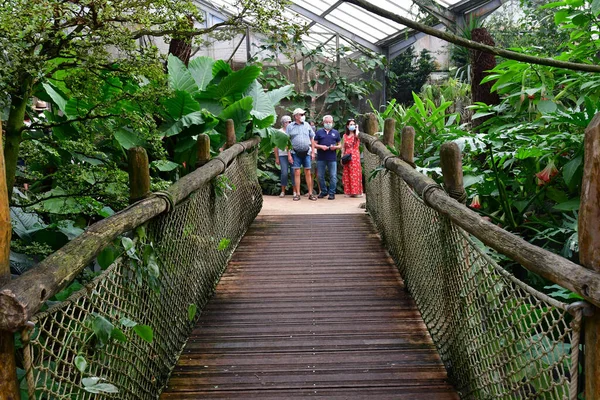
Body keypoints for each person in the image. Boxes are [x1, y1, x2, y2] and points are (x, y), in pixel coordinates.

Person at [287, 108, 317, 201]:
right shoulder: (290, 126)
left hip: (307, 152)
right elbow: (287, 141)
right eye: (301, 114)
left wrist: (313, 151)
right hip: (295, 152)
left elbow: (312, 138)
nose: (303, 116)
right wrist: (289, 155)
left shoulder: (307, 125)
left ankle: (310, 193)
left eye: (303, 114)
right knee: (297, 172)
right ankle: (298, 194)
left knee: (308, 172)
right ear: (296, 116)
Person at [313, 115, 341, 200]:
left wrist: (335, 147)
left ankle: (332, 193)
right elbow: (314, 144)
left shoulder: (336, 133)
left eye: (330, 122)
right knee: (320, 176)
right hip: (321, 157)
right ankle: (324, 191)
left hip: (332, 158)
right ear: (323, 123)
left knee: (333, 176)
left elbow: (340, 145)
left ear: (332, 123)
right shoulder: (319, 132)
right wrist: (321, 146)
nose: (328, 124)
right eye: (326, 122)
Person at [273, 115, 295, 197]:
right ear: (283, 123)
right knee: (284, 173)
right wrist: (277, 158)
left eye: (290, 122)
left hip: (292, 154)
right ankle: (283, 191)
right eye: (287, 122)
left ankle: (295, 191)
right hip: (282, 155)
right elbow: (275, 146)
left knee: (293, 172)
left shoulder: (293, 131)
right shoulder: (279, 132)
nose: (289, 123)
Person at [342, 118, 363, 197]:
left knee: (354, 173)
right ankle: (348, 192)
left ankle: (356, 192)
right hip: (347, 155)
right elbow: (343, 147)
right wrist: (342, 156)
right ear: (347, 126)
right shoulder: (345, 136)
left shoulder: (356, 135)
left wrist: (357, 128)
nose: (352, 126)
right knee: (347, 173)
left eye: (353, 124)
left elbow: (358, 135)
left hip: (355, 156)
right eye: (350, 124)